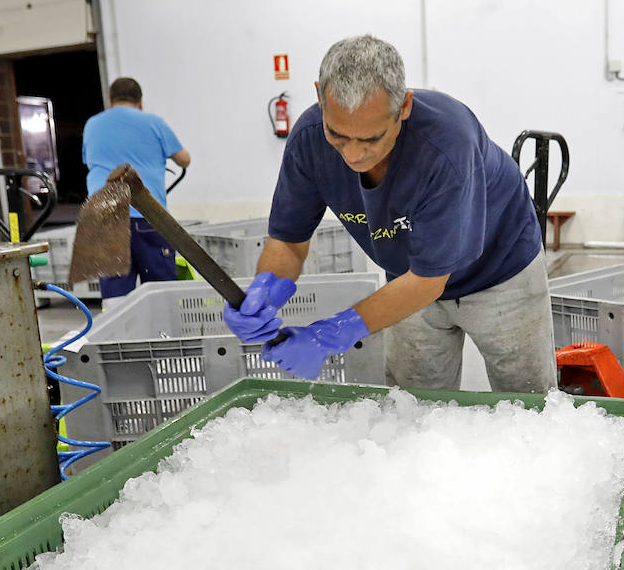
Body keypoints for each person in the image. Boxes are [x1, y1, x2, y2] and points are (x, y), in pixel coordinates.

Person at [222, 34, 555, 393]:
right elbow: (288, 242)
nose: (352, 155)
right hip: (407, 279)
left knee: (528, 407)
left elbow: (430, 281)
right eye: (338, 135)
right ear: (320, 96)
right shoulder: (308, 141)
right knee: (412, 408)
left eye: (371, 139)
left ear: (405, 107)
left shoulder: (446, 145)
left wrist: (329, 335)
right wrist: (267, 287)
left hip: (501, 272)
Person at [82, 77, 192, 300]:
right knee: (161, 294)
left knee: (115, 299)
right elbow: (184, 160)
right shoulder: (154, 122)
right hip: (147, 216)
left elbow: (90, 160)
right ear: (140, 102)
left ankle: (121, 335)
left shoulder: (92, 124)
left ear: (110, 101)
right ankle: (163, 334)